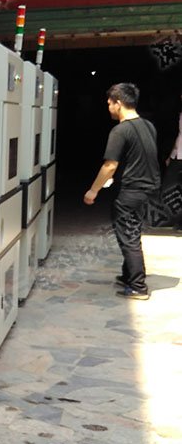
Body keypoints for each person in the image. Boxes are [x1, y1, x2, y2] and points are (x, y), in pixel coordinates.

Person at [83, 82, 160, 300]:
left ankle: (138, 286)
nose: (108, 107)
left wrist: (93, 191)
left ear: (118, 103)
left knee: (129, 237)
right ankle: (129, 276)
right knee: (132, 232)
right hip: (148, 189)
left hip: (131, 191)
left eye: (109, 103)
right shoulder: (148, 126)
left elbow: (110, 165)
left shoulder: (120, 130)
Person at [161, 94, 182, 229]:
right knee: (169, 187)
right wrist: (171, 154)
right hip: (177, 155)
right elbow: (180, 135)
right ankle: (171, 218)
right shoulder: (180, 113)